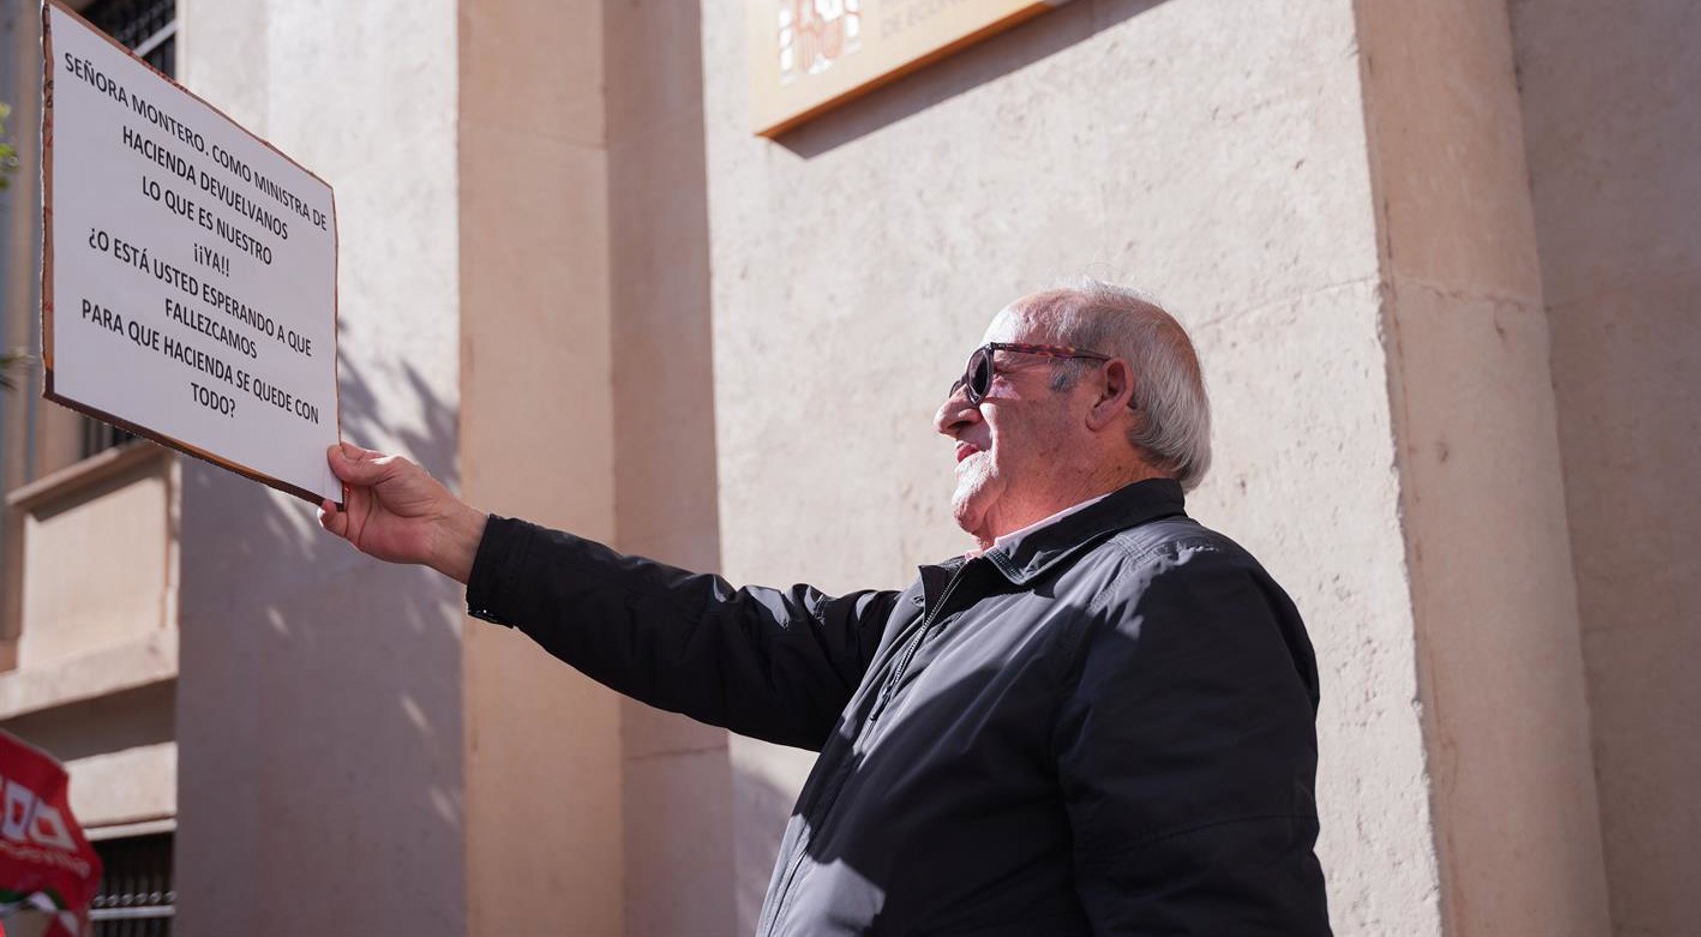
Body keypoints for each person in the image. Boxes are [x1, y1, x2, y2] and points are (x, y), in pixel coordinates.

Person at [319, 279, 1331, 934]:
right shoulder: (951, 618)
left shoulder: (1171, 593)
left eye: (983, 375)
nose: (947, 413)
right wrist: (461, 538)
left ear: (1107, 392)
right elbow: (712, 634)